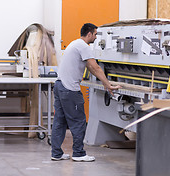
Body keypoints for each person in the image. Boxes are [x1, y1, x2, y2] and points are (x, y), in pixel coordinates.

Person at [51, 23, 121, 162]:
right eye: (95, 34)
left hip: (60, 86)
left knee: (60, 121)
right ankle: (78, 153)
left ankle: (56, 153)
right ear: (89, 34)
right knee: (79, 121)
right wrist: (108, 85)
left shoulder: (74, 44)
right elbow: (95, 68)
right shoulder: (84, 46)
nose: (96, 37)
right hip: (70, 89)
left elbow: (89, 66)